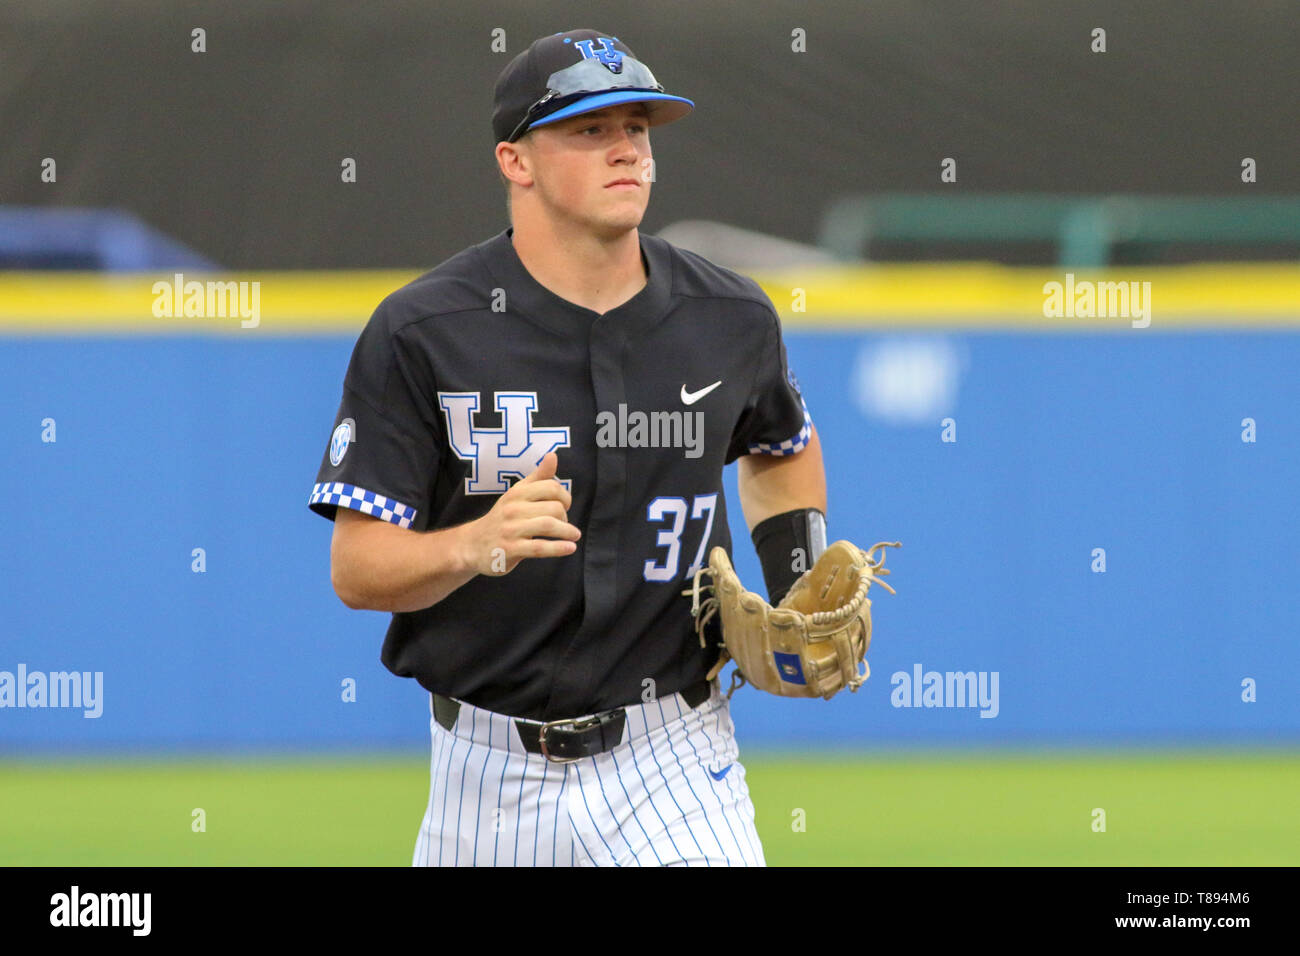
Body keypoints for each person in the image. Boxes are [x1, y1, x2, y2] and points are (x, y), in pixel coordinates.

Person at [308, 28, 827, 867]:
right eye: (591, 130)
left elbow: (781, 445)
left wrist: (797, 578)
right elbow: (357, 567)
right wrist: (475, 544)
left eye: (639, 128)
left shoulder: (729, 317)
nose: (627, 150)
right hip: (484, 772)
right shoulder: (424, 330)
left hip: (676, 756)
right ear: (516, 161)